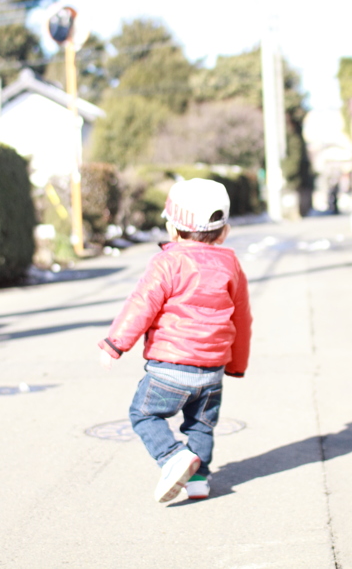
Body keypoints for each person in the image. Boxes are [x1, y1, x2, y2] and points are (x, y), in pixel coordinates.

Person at [99, 178, 252, 502]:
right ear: (223, 232)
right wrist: (236, 365)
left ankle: (172, 457)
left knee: (143, 414)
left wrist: (115, 345)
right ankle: (198, 480)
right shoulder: (231, 266)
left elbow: (142, 304)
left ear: (172, 229)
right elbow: (241, 319)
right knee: (200, 425)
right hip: (212, 371)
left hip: (170, 368)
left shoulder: (167, 262)